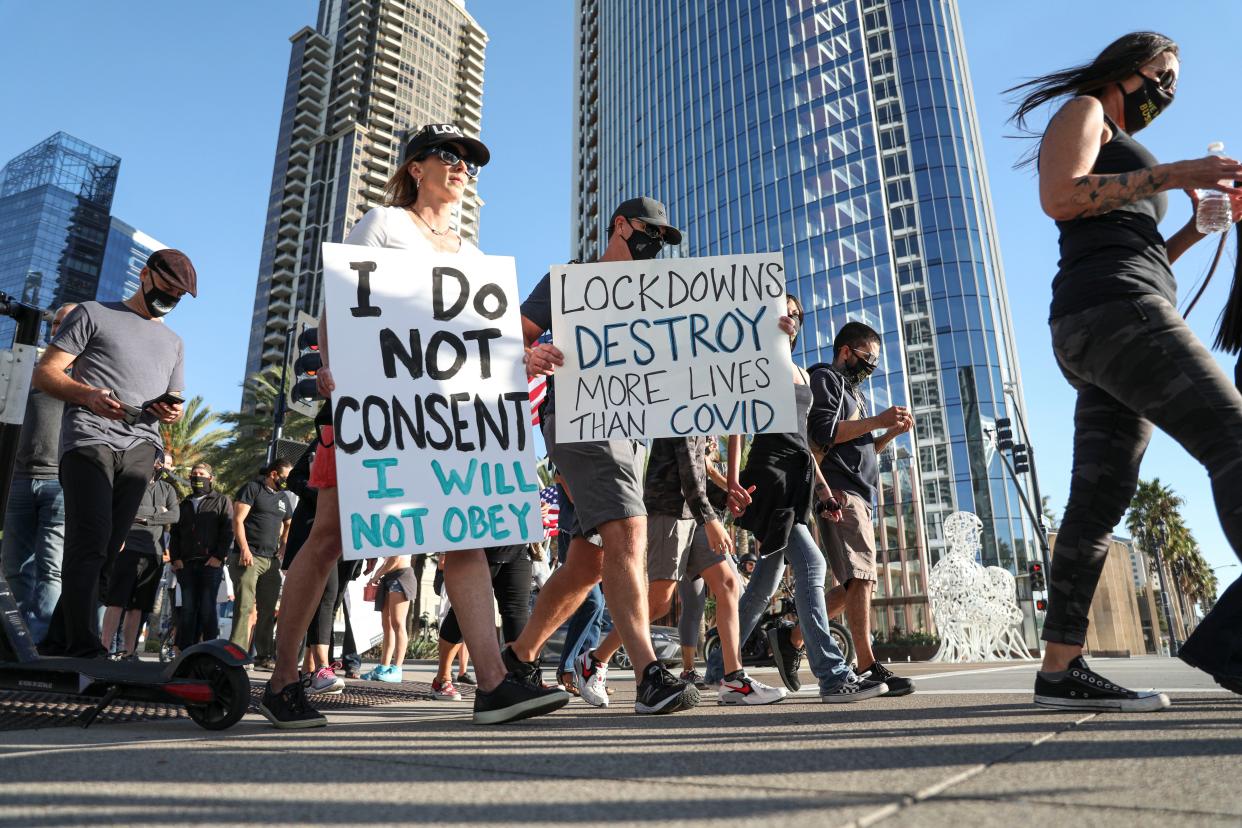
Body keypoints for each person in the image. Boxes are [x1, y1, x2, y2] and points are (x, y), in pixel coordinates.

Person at [260, 123, 569, 727]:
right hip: (377, 408)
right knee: (329, 537)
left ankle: (493, 684)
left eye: (470, 163)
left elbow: (488, 343)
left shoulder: (473, 258)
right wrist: (328, 361)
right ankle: (282, 679)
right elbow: (342, 305)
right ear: (414, 167)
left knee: (466, 534)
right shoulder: (383, 224)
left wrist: (522, 357)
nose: (462, 169)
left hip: (450, 417)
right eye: (448, 157)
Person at [1007, 31, 1242, 708]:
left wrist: (1197, 227)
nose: (1166, 91)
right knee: (1234, 439)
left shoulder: (1122, 145)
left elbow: (1139, 248)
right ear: (1127, 68)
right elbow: (1060, 196)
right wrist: (1173, 173)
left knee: (1095, 507)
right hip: (1113, 312)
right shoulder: (1084, 111)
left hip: (1113, 315)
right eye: (1161, 75)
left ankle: (1058, 671)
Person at [506, 197, 705, 715]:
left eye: (665, 240)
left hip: (629, 428)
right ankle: (648, 675)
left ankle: (519, 658)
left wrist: (762, 341)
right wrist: (530, 354)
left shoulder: (657, 296)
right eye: (651, 232)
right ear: (621, 226)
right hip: (577, 416)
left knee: (589, 561)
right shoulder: (570, 282)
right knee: (628, 530)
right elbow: (513, 337)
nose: (656, 244)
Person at [714, 297, 889, 702]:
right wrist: (734, 481)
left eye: (796, 314)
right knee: (813, 563)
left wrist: (824, 490)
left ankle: (717, 668)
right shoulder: (759, 363)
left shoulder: (800, 373)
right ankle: (832, 675)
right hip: (769, 477)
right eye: (784, 312)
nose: (790, 318)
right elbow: (739, 421)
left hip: (799, 480)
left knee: (763, 585)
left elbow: (805, 442)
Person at [35, 250, 194, 658]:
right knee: (90, 537)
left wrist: (170, 411)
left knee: (109, 547)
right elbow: (46, 372)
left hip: (142, 445)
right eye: (168, 288)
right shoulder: (92, 313)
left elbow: (172, 403)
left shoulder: (174, 342)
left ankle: (57, 637)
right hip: (89, 438)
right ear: (144, 275)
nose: (171, 298)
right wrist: (88, 394)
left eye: (179, 295)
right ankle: (83, 644)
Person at [584, 435, 786, 706]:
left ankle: (734, 680)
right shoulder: (688, 407)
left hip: (693, 513)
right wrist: (710, 518)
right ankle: (595, 660)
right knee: (658, 603)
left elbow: (702, 468)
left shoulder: (709, 415)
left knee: (728, 583)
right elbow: (688, 467)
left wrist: (727, 494)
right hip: (669, 509)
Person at [808, 321, 916, 697]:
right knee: (861, 577)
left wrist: (887, 434)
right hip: (840, 490)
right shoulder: (827, 379)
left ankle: (790, 636)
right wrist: (879, 420)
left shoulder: (853, 393)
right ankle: (867, 665)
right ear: (845, 353)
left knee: (855, 581)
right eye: (868, 359)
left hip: (859, 492)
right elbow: (823, 433)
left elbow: (863, 452)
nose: (872, 368)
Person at [1, 302, 75, 644]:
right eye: (55, 321)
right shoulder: (27, 367)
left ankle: (39, 642)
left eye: (67, 322)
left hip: (59, 483)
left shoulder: (86, 373)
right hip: (17, 479)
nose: (58, 327)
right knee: (13, 566)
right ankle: (13, 640)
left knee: (49, 569)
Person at [100, 454, 179, 657]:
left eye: (168, 464)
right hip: (127, 549)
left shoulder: (168, 489)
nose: (164, 467)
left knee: (138, 607)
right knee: (116, 602)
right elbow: (125, 509)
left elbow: (174, 515)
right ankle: (104, 647)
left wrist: (144, 518)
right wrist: (156, 512)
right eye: (162, 463)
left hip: (154, 553)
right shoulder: (133, 483)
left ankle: (128, 651)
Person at [433, 545, 534, 699]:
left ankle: (524, 677)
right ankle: (443, 677)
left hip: (518, 543)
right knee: (464, 610)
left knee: (517, 611)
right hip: (480, 543)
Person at [229, 459, 292, 669]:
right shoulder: (252, 488)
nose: (287, 481)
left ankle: (264, 655)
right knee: (245, 606)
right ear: (274, 474)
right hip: (248, 556)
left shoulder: (284, 497)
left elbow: (288, 523)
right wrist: (244, 549)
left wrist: (283, 545)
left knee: (268, 609)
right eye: (285, 476)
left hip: (270, 560)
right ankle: (236, 654)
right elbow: (238, 520)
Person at [169, 462, 233, 651]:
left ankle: (210, 650)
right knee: (187, 609)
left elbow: (228, 530)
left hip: (210, 565)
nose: (197, 477)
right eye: (194, 473)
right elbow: (175, 533)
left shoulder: (221, 501)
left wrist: (219, 557)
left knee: (207, 608)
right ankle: (184, 650)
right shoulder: (184, 504)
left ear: (210, 478)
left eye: (202, 473)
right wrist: (176, 558)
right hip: (186, 565)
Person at [361, 555, 416, 683]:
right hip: (388, 578)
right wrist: (377, 576)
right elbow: (388, 561)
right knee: (387, 626)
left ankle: (397, 669)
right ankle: (383, 667)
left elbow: (395, 559)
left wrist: (375, 577)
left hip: (401, 576)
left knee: (398, 623)